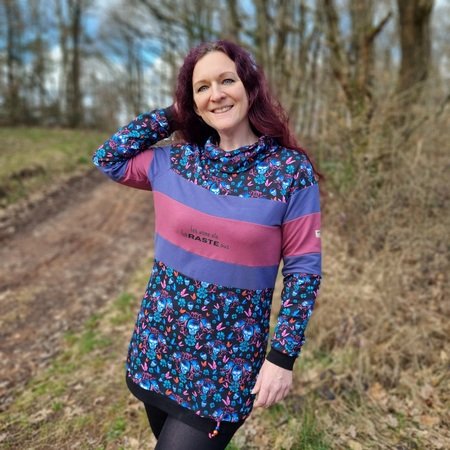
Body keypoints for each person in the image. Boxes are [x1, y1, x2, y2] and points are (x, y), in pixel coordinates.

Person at [92, 40, 322, 450]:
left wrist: (282, 357)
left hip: (226, 369)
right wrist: (172, 114)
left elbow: (303, 271)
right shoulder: (175, 162)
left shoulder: (290, 172)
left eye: (227, 80)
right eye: (202, 87)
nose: (216, 94)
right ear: (192, 104)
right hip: (159, 348)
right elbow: (109, 158)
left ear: (250, 87)